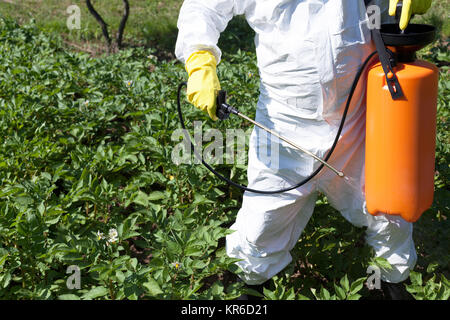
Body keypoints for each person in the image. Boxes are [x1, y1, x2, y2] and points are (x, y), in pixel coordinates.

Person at [175, 0, 432, 299]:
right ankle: (253, 289)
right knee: (263, 219)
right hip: (283, 126)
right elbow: (203, 7)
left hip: (358, 117)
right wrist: (198, 58)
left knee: (390, 204)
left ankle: (391, 283)